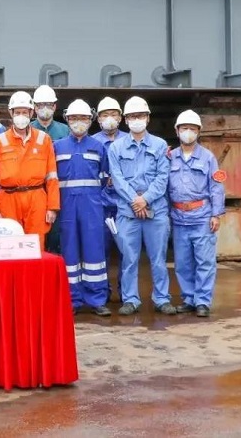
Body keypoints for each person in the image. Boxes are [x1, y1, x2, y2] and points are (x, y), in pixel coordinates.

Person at [108, 96, 174, 316]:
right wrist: (135, 201)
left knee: (158, 259)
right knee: (129, 259)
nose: (137, 119)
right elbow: (118, 179)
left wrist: (145, 199)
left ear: (148, 118)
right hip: (128, 213)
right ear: (126, 119)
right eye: (133, 116)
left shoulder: (160, 145)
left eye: (141, 116)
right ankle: (130, 299)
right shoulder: (116, 147)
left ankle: (162, 298)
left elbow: (162, 177)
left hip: (156, 211)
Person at [54, 100, 111, 317]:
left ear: (90, 120)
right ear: (67, 120)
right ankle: (72, 299)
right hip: (66, 208)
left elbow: (105, 178)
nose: (79, 122)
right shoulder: (57, 147)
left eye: (83, 118)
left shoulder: (98, 147)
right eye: (74, 118)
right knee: (69, 252)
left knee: (94, 251)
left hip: (92, 207)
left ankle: (97, 299)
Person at [168, 110, 225, 318]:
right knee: (183, 263)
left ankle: (202, 301)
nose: (188, 132)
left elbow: (216, 187)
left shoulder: (208, 158)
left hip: (202, 217)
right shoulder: (170, 157)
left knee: (205, 262)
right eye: (184, 128)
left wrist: (216, 214)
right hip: (178, 217)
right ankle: (189, 299)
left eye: (192, 129)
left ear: (198, 132)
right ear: (177, 131)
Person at [0, 91, 59, 250]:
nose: (21, 116)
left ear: (31, 113)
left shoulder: (44, 139)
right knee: (9, 246)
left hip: (36, 199)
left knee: (36, 245)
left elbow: (52, 177)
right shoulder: (0, 141)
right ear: (11, 113)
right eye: (17, 112)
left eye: (25, 112)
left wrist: (52, 207)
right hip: (8, 200)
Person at [92, 97, 130, 302]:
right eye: (105, 115)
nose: (109, 118)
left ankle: (127, 293)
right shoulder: (93, 142)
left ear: (121, 117)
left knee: (127, 251)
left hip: (126, 205)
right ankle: (103, 292)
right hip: (101, 206)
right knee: (101, 251)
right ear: (98, 119)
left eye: (113, 114)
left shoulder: (129, 140)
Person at [31, 85, 67, 254]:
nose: (44, 108)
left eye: (48, 104)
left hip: (59, 188)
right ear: (34, 107)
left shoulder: (65, 130)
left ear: (54, 106)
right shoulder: (28, 129)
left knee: (56, 234)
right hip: (35, 188)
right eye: (40, 105)